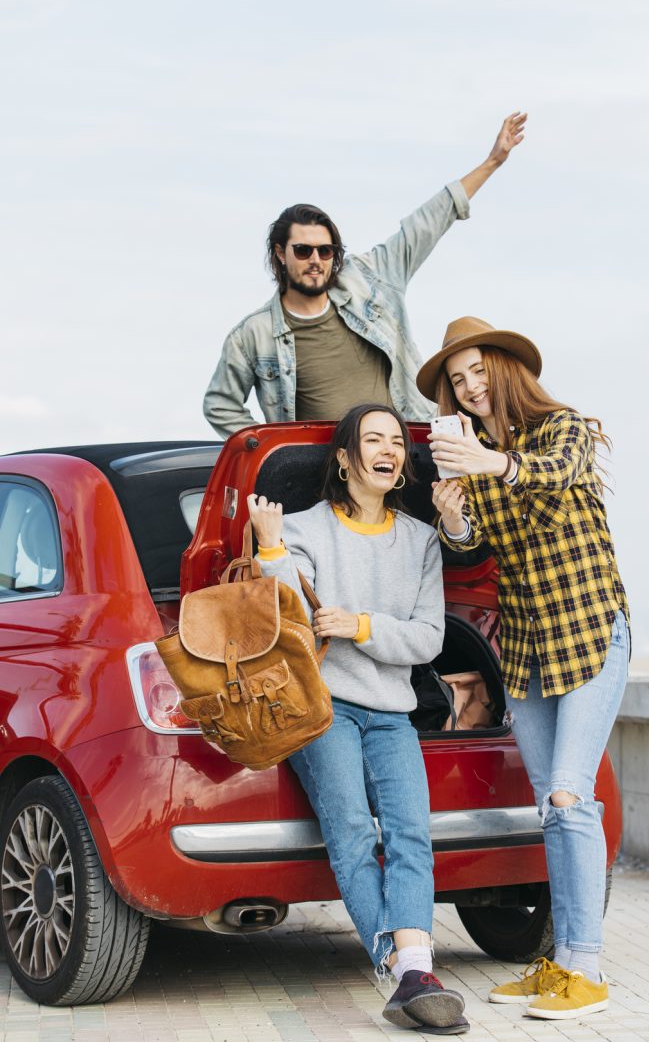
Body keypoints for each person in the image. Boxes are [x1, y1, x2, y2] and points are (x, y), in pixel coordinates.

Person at [419, 316, 630, 1022]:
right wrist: (451, 516)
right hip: (530, 650)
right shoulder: (472, 459)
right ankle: (564, 961)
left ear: (506, 370)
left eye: (479, 372)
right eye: (458, 380)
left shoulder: (561, 429)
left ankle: (588, 970)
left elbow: (553, 474)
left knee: (571, 799)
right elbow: (471, 545)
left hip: (593, 634)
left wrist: (489, 464)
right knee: (550, 806)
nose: (471, 388)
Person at [247, 403, 469, 1034]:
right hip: (324, 709)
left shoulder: (422, 539)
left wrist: (361, 625)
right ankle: (405, 969)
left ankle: (412, 968)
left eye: (396, 442)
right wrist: (269, 546)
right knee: (349, 832)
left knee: (410, 833)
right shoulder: (307, 528)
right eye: (372, 440)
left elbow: (428, 639)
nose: (388, 450)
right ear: (345, 458)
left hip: (392, 712)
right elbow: (286, 613)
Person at [204, 113, 527, 436]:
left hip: (409, 447)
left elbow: (425, 224)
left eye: (325, 251)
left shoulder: (369, 279)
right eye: (303, 250)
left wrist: (492, 162)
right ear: (280, 253)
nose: (315, 260)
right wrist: (271, 449)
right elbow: (220, 404)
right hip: (326, 473)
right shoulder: (252, 335)